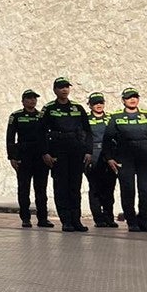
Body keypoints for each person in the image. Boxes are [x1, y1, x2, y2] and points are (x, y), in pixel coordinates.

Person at [105, 87, 147, 232]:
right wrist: (109, 158)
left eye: (135, 97)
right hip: (125, 154)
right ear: (123, 100)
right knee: (128, 190)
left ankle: (144, 221)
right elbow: (107, 139)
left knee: (145, 190)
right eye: (129, 97)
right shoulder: (116, 117)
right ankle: (132, 222)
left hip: (144, 155)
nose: (133, 100)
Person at [40, 77, 91, 232]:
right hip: (58, 151)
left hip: (76, 150)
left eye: (66, 87)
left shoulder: (78, 108)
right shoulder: (48, 109)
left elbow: (88, 131)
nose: (64, 90)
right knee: (61, 186)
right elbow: (41, 133)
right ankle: (66, 220)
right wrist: (45, 153)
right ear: (55, 90)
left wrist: (88, 151)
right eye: (61, 87)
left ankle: (76, 220)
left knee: (75, 186)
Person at [7, 90, 51, 228]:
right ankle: (25, 218)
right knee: (24, 188)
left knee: (41, 189)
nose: (32, 101)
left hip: (40, 156)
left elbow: (46, 136)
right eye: (29, 98)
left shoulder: (41, 115)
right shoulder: (16, 116)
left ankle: (43, 218)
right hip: (24, 156)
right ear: (23, 101)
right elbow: (10, 137)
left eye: (34, 99)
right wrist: (12, 157)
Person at [84, 92, 117, 227]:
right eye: (95, 103)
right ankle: (98, 218)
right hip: (93, 154)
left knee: (109, 188)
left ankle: (109, 217)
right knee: (95, 188)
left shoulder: (110, 118)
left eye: (101, 103)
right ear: (90, 105)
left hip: (109, 154)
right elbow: (83, 136)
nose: (98, 105)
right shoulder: (85, 119)